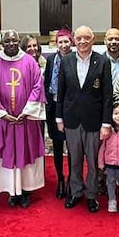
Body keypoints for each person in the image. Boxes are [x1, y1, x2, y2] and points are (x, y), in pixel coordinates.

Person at [0, 30, 46, 208]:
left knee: (26, 152)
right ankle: (12, 192)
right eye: (7, 41)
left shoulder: (29, 62)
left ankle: (26, 191)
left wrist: (27, 111)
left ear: (18, 42)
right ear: (2, 43)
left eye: (14, 40)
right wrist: (3, 113)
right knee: (9, 153)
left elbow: (37, 85)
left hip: (25, 119)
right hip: (5, 120)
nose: (11, 44)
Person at [57, 25, 112, 213]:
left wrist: (106, 123)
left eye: (86, 38)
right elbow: (61, 92)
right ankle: (75, 192)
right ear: (74, 40)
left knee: (93, 161)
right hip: (71, 118)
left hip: (94, 120)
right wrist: (59, 118)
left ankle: (91, 195)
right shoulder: (66, 61)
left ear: (93, 39)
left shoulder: (103, 62)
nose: (82, 42)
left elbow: (107, 95)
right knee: (74, 160)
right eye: (79, 38)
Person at [44, 28, 73, 199]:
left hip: (69, 108)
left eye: (66, 41)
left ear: (72, 42)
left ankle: (71, 179)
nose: (63, 45)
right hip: (54, 106)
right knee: (56, 145)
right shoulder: (51, 60)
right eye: (60, 42)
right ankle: (60, 179)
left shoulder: (74, 59)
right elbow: (48, 81)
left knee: (71, 146)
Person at [98, 103, 119, 213]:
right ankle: (112, 200)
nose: (118, 116)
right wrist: (101, 163)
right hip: (109, 162)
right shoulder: (108, 130)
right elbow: (102, 147)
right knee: (110, 182)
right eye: (116, 113)